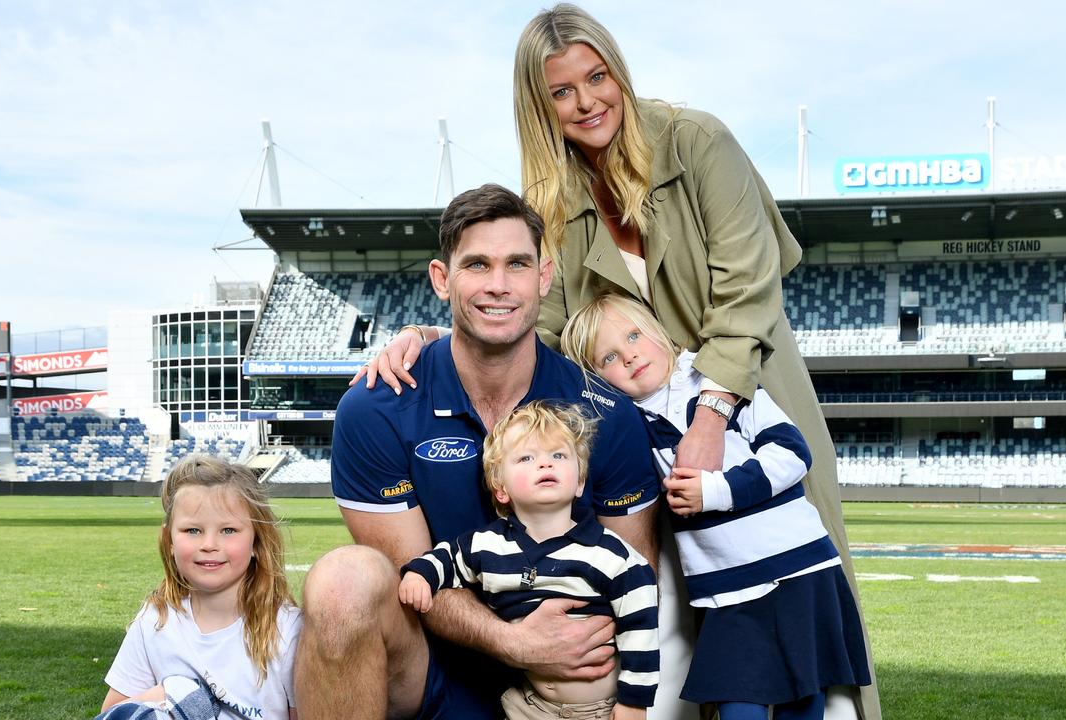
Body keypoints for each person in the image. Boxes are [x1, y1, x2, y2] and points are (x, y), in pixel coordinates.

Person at [358, 5, 878, 718]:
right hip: (641, 429)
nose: (587, 102)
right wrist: (430, 331)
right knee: (671, 605)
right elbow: (528, 316)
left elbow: (750, 286)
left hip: (749, 393)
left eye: (596, 77)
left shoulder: (696, 141)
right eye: (561, 93)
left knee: (799, 579)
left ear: (618, 72)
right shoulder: (552, 196)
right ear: (540, 109)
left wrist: (712, 412)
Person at [298, 183, 661, 720]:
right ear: (442, 280)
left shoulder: (605, 412)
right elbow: (410, 574)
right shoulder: (376, 407)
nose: (498, 285)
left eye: (517, 264)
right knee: (342, 581)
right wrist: (513, 641)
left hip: (564, 685)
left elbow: (633, 578)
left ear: (543, 276)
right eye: (477, 265)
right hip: (429, 667)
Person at [560, 293, 872, 719]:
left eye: (633, 336)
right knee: (738, 704)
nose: (630, 356)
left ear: (656, 331)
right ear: (598, 377)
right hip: (726, 592)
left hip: (799, 568)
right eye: (610, 356)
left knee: (804, 699)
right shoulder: (629, 425)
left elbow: (793, 454)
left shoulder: (715, 382)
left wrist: (716, 491)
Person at [400, 400, 659, 720]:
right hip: (529, 706)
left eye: (559, 456)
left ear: (580, 482)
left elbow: (641, 628)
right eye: (526, 457)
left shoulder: (612, 555)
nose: (545, 464)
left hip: (600, 709)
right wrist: (420, 575)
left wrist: (634, 703)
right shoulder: (488, 545)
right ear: (501, 489)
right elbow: (447, 559)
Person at [101, 455, 302, 720]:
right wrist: (168, 696)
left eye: (228, 530)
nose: (209, 544)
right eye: (193, 530)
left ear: (256, 541)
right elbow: (112, 714)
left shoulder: (287, 629)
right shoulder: (155, 621)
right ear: (169, 539)